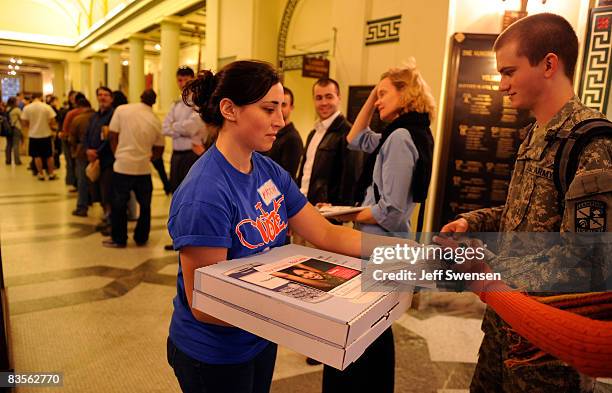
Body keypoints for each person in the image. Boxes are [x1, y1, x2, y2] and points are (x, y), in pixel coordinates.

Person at [166, 60, 368, 393]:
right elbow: (205, 305)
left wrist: (405, 252)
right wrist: (303, 311)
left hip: (259, 336)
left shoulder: (268, 171)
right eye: (269, 109)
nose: (281, 120)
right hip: (215, 353)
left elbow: (326, 233)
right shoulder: (205, 193)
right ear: (229, 109)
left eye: (281, 109)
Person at [440, 13, 612, 393]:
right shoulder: (535, 135)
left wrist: (486, 268)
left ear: (549, 64)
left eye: (509, 71)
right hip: (503, 328)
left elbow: (584, 260)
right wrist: (474, 221)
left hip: (547, 353)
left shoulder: (591, 143)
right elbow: (523, 215)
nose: (502, 85)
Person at [323, 63, 435, 392]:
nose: (377, 101)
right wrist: (374, 96)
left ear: (406, 94)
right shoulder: (400, 131)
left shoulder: (401, 137)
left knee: (370, 329)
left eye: (384, 93)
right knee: (372, 326)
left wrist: (346, 215)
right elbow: (355, 138)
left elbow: (392, 212)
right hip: (381, 243)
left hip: (381, 245)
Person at [103, 89, 164, 248]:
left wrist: (118, 152)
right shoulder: (155, 120)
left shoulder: (122, 110)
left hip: (122, 166)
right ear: (154, 101)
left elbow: (112, 134)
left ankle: (119, 238)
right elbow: (159, 149)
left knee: (119, 204)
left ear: (141, 97)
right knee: (145, 206)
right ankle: (141, 237)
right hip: (143, 169)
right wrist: (149, 158)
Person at [296, 77, 362, 206]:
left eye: (329, 96)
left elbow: (351, 176)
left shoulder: (348, 132)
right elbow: (305, 172)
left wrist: (338, 207)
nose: (324, 102)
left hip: (328, 211)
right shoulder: (313, 133)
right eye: (319, 98)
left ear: (339, 97)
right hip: (305, 205)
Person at [163, 66, 206, 193]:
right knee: (176, 191)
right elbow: (165, 128)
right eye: (179, 80)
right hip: (176, 155)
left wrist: (175, 126)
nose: (182, 84)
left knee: (190, 191)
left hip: (192, 154)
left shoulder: (198, 101)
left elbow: (193, 127)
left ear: (192, 80)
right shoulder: (176, 103)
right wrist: (183, 129)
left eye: (186, 80)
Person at [84, 87, 115, 234]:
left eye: (106, 95)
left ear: (111, 98)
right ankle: (105, 214)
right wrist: (87, 149)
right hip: (93, 159)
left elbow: (110, 138)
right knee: (97, 191)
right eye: (100, 95)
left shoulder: (114, 115)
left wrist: (97, 152)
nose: (103, 97)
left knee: (107, 190)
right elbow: (87, 134)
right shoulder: (94, 116)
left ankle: (110, 219)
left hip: (107, 160)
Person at [263, 86, 303, 179]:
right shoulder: (268, 132)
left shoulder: (293, 139)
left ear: (291, 107)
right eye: (275, 105)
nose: (279, 109)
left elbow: (288, 177)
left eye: (283, 105)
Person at [68, 96, 96, 217]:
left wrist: (74, 151)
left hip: (82, 152)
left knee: (82, 180)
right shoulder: (98, 117)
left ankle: (82, 206)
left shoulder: (78, 119)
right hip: (98, 152)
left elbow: (72, 138)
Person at [20, 92, 57, 180]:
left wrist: (31, 126)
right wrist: (51, 128)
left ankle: (40, 174)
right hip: (46, 134)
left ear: (32, 97)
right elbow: (52, 120)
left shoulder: (27, 108)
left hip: (33, 135)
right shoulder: (47, 107)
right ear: (41, 97)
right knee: (49, 155)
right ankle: (51, 173)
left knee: (37, 156)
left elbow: (24, 122)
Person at [60, 92, 87, 191]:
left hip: (72, 141)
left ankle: (74, 183)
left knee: (71, 163)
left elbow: (65, 129)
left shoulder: (71, 113)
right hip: (85, 141)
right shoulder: (91, 112)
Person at [4, 97, 23, 166]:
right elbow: (22, 118)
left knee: (8, 144)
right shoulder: (17, 110)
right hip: (16, 128)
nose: (18, 102)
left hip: (8, 129)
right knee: (16, 145)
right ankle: (17, 160)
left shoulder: (7, 109)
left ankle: (8, 160)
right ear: (14, 102)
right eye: (17, 101)